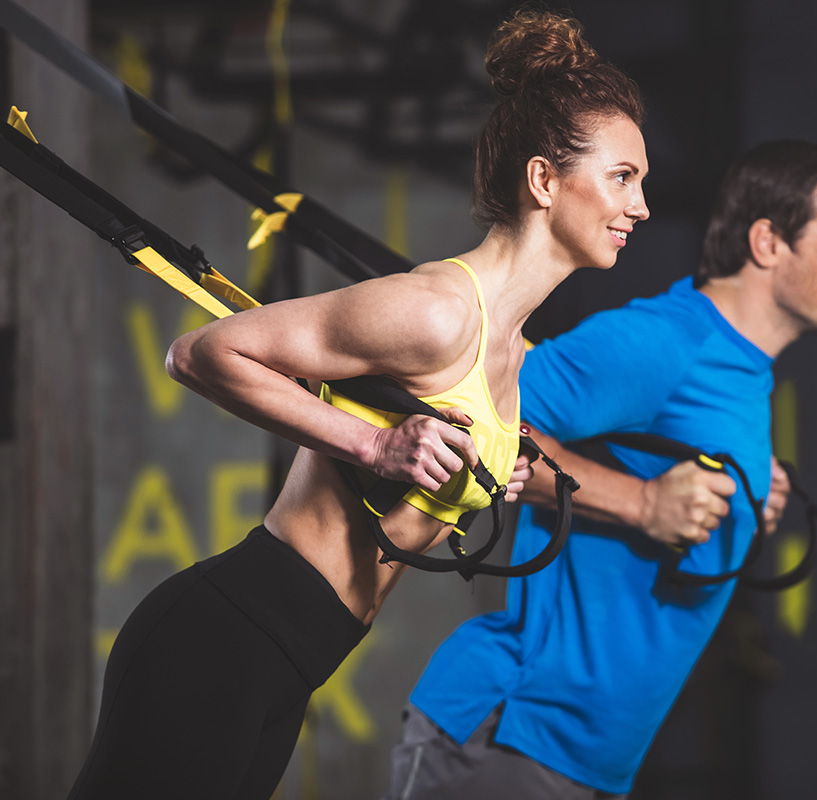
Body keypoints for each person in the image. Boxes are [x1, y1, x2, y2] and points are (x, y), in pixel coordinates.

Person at [66, 9, 648, 800]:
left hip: (294, 665)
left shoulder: (511, 356)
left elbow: (445, 444)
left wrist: (497, 474)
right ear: (545, 181)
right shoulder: (440, 311)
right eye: (622, 178)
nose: (640, 206)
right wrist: (374, 447)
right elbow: (202, 353)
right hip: (223, 641)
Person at [388, 139, 817, 799]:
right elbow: (477, 417)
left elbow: (672, 468)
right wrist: (640, 503)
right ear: (768, 242)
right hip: (509, 732)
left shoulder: (743, 368)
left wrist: (746, 500)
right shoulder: (666, 340)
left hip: (586, 762)